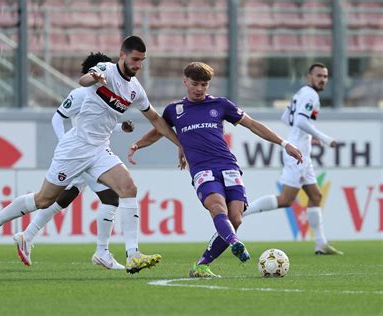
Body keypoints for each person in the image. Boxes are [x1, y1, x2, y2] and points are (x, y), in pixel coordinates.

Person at [0, 35, 185, 274]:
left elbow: (156, 120)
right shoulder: (105, 70)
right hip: (75, 149)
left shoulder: (135, 90)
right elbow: (84, 80)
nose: (138, 65)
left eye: (142, 61)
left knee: (128, 189)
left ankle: (133, 255)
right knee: (44, 200)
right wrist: (94, 77)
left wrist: (179, 144)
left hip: (99, 150)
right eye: (135, 59)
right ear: (123, 56)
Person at [128, 62, 303, 278]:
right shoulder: (175, 110)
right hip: (202, 170)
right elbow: (158, 132)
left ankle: (201, 265)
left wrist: (285, 144)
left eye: (204, 84)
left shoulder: (221, 105)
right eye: (195, 84)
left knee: (236, 218)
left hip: (228, 166)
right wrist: (138, 144)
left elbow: (253, 124)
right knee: (217, 208)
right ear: (185, 81)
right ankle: (235, 242)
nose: (200, 89)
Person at [12, 52, 134, 270]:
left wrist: (120, 128)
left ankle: (27, 234)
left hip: (93, 153)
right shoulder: (81, 93)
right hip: (78, 154)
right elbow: (58, 117)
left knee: (64, 197)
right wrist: (66, 148)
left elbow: (96, 126)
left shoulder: (106, 96)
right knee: (105, 197)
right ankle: (101, 251)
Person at [243, 63, 343, 256]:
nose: (322, 79)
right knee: (286, 200)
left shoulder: (301, 93)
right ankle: (242, 212)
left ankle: (320, 243)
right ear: (309, 76)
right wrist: (323, 138)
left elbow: (286, 117)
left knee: (315, 196)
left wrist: (306, 135)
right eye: (319, 75)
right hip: (296, 153)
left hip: (301, 151)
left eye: (325, 76)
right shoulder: (311, 95)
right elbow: (299, 121)